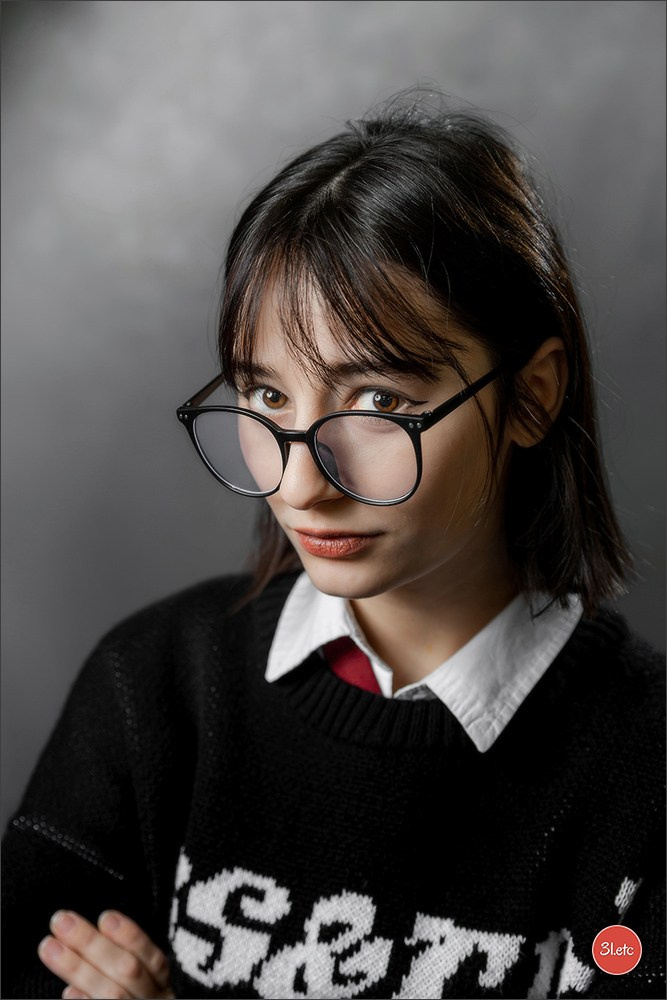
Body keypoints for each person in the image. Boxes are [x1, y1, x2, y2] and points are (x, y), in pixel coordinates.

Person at [2, 93, 664, 1000]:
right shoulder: (153, 688)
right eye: (267, 397)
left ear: (532, 396)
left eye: (379, 402)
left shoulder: (643, 766)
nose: (300, 482)